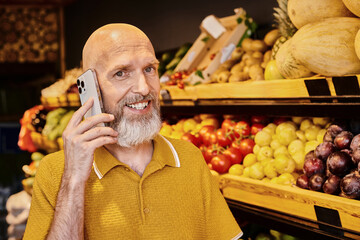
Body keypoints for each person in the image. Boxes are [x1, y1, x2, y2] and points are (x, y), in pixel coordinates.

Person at [23, 23, 242, 240]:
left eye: (149, 69)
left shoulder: (189, 158)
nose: (144, 88)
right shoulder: (55, 172)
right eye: (121, 73)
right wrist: (74, 180)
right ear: (89, 86)